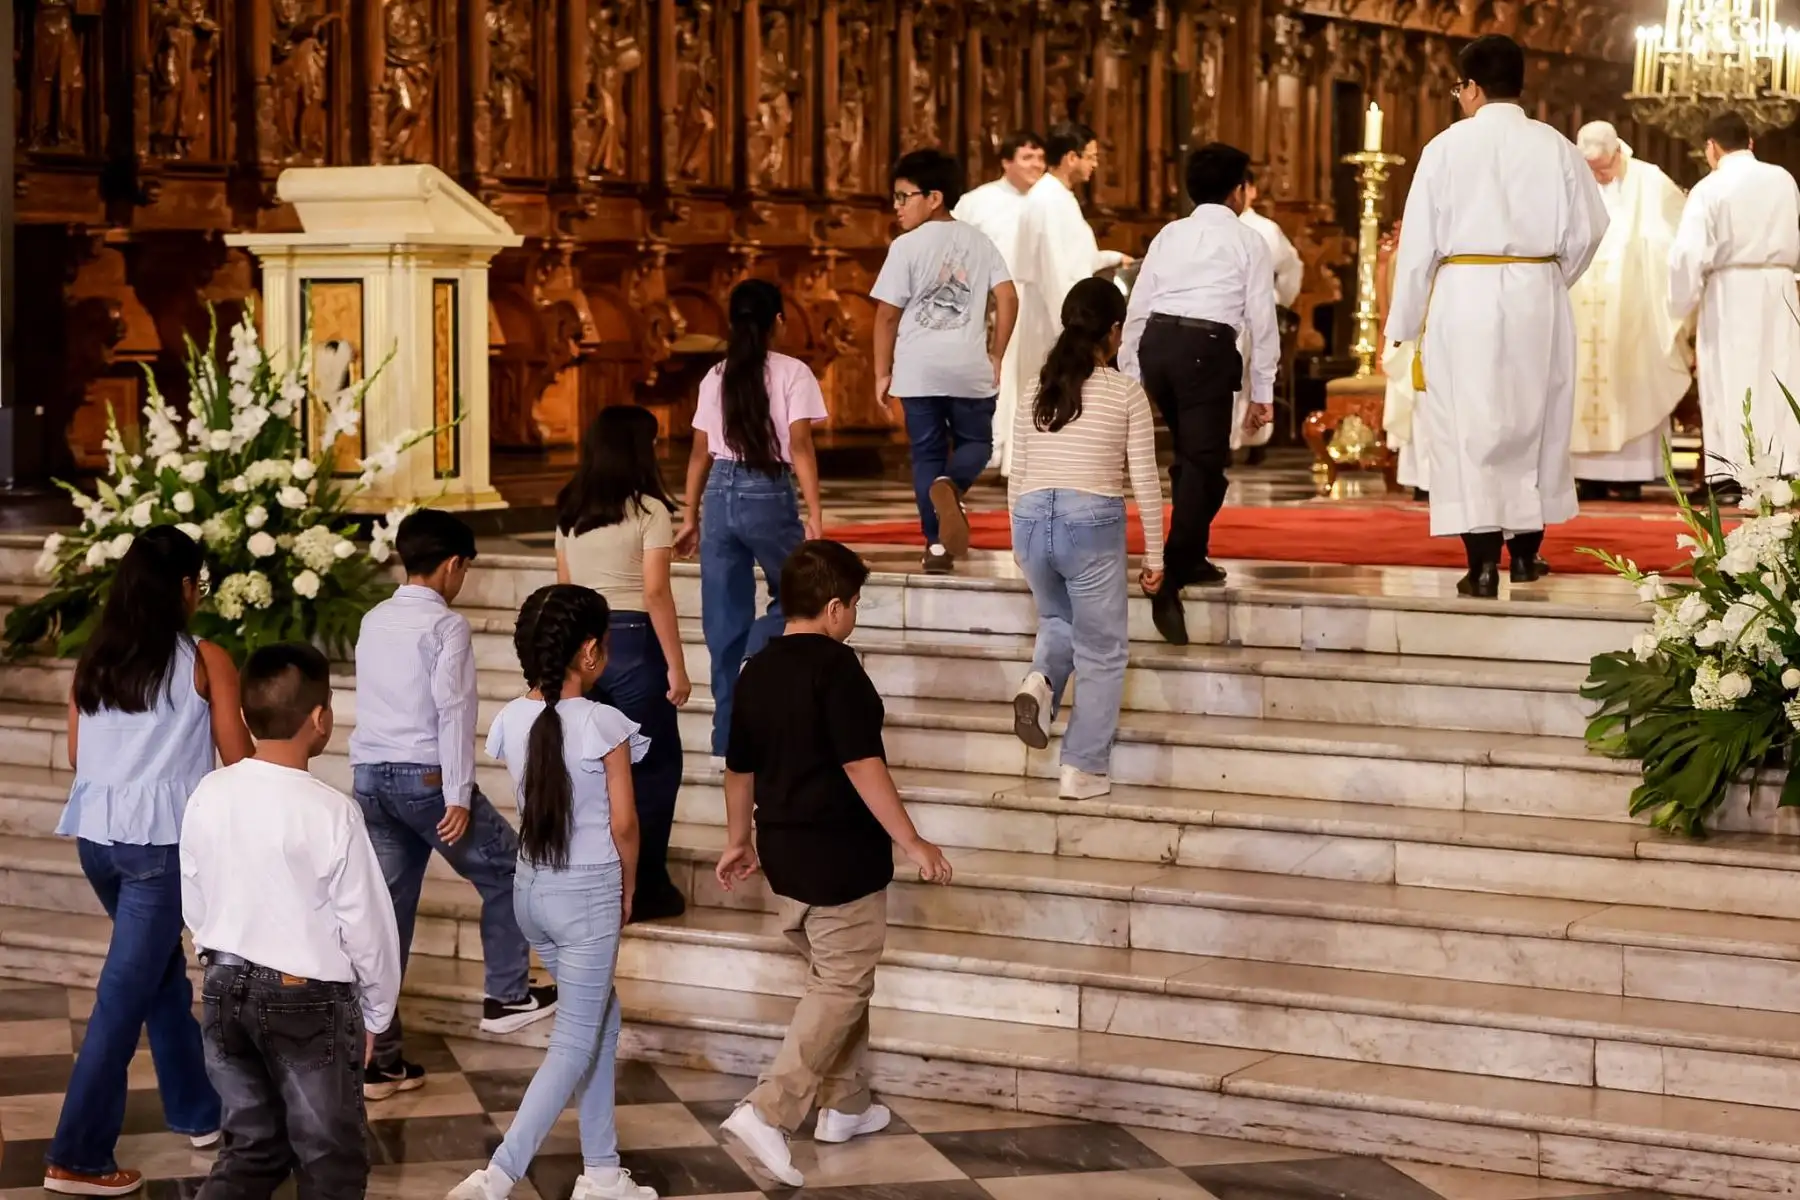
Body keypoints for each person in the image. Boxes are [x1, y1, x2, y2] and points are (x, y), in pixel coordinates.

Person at [714, 541, 954, 1190]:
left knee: (837, 976)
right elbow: (860, 762)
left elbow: (739, 768)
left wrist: (739, 840)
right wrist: (913, 840)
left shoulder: (753, 671)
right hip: (839, 856)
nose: (855, 615)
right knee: (842, 982)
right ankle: (769, 1113)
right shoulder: (838, 669)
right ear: (834, 608)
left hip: (785, 855)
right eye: (854, 604)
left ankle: (844, 1106)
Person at [44, 526, 251, 1198]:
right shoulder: (205, 660)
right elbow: (239, 758)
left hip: (98, 842)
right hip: (159, 851)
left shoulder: (94, 658)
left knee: (159, 974)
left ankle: (197, 1109)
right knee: (119, 999)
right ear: (186, 588)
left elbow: (79, 757)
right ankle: (76, 1155)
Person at [449, 585, 655, 1200]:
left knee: (600, 1023)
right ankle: (497, 1176)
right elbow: (624, 825)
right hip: (586, 895)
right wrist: (630, 887)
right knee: (572, 1042)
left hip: (530, 893)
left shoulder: (512, 718)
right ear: (590, 651)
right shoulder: (602, 722)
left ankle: (603, 1173)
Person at [1385, 34, 1607, 597]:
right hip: (1538, 293)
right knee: (1536, 420)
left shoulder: (1446, 147)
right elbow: (1590, 228)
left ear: (1473, 88)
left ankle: (1482, 565)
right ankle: (1527, 556)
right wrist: (1552, 276)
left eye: (1460, 87)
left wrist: (1402, 327)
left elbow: (1417, 247)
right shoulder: (1555, 145)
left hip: (1466, 294)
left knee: (1471, 425)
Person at [181, 643, 403, 1200]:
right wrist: (376, 1013)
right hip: (308, 1001)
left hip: (223, 984)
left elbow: (196, 899)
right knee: (330, 1160)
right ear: (320, 718)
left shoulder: (210, 790)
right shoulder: (331, 810)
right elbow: (369, 926)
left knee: (252, 1149)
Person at [351, 509, 556, 1101]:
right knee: (511, 869)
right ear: (452, 565)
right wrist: (457, 793)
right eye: (463, 569)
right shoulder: (446, 627)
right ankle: (507, 994)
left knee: (386, 920)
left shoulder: (373, 618)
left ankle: (379, 1060)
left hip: (371, 778)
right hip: (425, 780)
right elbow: (453, 709)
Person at [1009, 278, 1165, 801]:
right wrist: (1156, 554)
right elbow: (1144, 478)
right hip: (1089, 519)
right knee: (1101, 651)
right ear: (1115, 331)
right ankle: (1083, 769)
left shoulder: (1036, 386)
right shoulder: (1124, 391)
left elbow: (1018, 471)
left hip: (1030, 518)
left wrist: (1018, 539)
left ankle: (1040, 683)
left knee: (1057, 619)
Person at [1121, 142, 1277, 645]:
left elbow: (1139, 304)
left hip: (1158, 347)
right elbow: (1261, 319)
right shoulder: (1248, 239)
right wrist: (1263, 389)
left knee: (1195, 461)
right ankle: (1168, 574)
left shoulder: (1170, 233)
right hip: (1204, 350)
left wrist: (1130, 369)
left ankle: (1192, 555)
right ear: (1239, 192)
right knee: (1204, 462)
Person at [674, 279, 826, 760]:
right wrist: (815, 515)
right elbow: (800, 446)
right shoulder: (792, 372)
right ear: (777, 321)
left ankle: (726, 739)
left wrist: (689, 515)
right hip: (766, 488)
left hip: (718, 492)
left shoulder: (715, 374)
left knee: (722, 616)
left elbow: (699, 453)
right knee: (800, 593)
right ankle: (755, 652)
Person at [557, 406, 690, 922]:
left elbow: (565, 590)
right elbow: (655, 592)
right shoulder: (649, 510)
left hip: (583, 647)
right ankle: (647, 884)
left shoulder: (569, 509)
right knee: (654, 767)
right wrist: (676, 667)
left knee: (592, 769)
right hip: (634, 645)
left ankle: (597, 878)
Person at [873, 147, 1019, 574]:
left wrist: (882, 370)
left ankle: (936, 545)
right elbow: (1008, 297)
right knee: (977, 444)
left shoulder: (905, 246)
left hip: (918, 372)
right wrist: (997, 352)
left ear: (933, 197)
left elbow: (886, 313)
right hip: (968, 368)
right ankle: (950, 487)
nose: (897, 207)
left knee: (927, 456)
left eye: (903, 197)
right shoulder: (979, 240)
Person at [1670, 109, 1800, 499]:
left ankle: (1728, 475)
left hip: (1731, 287)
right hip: (1778, 284)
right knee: (1778, 374)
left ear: (1711, 147)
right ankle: (1782, 468)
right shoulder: (1782, 179)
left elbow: (1688, 254)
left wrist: (1679, 306)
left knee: (1730, 376)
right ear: (1750, 143)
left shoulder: (1712, 186)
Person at [1569, 120, 1691, 501]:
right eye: (1593, 170)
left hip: (1633, 300)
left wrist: (1645, 251)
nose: (1600, 176)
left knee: (1635, 377)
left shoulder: (1650, 181)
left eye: (1605, 167)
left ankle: (1631, 472)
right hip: (1580, 298)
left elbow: (1679, 235)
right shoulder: (1573, 179)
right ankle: (1583, 474)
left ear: (1619, 152)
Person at [1013, 122, 1130, 430]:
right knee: (1048, 387)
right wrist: (1069, 327)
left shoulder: (1059, 197)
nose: (1095, 164)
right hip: (1051, 312)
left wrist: (1115, 258)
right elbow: (1054, 268)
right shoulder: (1048, 200)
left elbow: (1077, 258)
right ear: (1070, 158)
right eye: (1090, 156)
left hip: (1062, 305)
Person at [954, 131, 1047, 473]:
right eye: (1026, 157)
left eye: (1040, 158)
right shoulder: (979, 200)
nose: (1035, 165)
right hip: (987, 297)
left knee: (1025, 374)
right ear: (1006, 162)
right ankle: (989, 443)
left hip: (1032, 298)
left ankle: (1019, 444)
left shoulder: (1046, 201)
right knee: (993, 370)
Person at [1232, 169, 1304, 459]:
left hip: (1253, 309)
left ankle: (1248, 441)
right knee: (1234, 376)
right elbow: (1291, 270)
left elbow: (1289, 267)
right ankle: (1236, 442)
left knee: (1253, 375)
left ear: (1250, 190)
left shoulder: (1265, 229)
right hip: (1231, 311)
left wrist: (1278, 301)